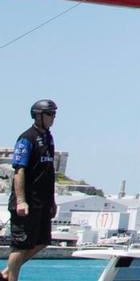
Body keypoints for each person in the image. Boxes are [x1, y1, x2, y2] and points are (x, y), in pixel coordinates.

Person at [2, 100, 58, 281]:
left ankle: (5, 273)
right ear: (39, 115)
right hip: (27, 201)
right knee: (21, 244)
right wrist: (21, 201)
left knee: (42, 242)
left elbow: (49, 173)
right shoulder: (27, 138)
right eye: (50, 114)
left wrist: (52, 201)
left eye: (54, 114)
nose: (53, 118)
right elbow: (19, 171)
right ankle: (12, 278)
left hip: (43, 202)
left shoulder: (48, 138)